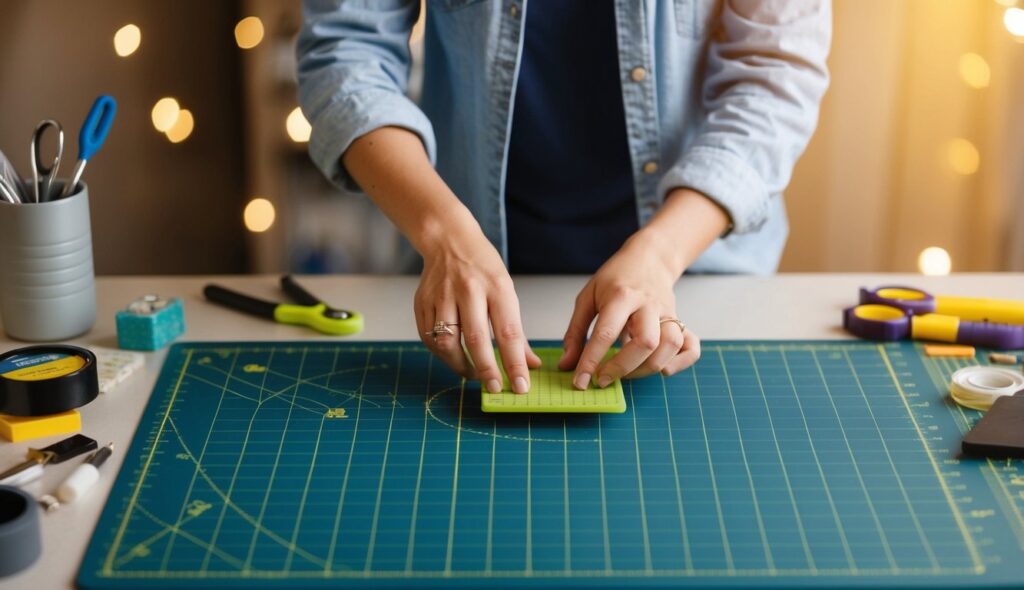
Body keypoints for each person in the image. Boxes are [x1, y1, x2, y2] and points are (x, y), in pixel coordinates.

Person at [297, 0, 831, 394]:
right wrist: (444, 236)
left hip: (702, 274)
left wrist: (660, 256)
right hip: (464, 271)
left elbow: (774, 78)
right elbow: (347, 52)